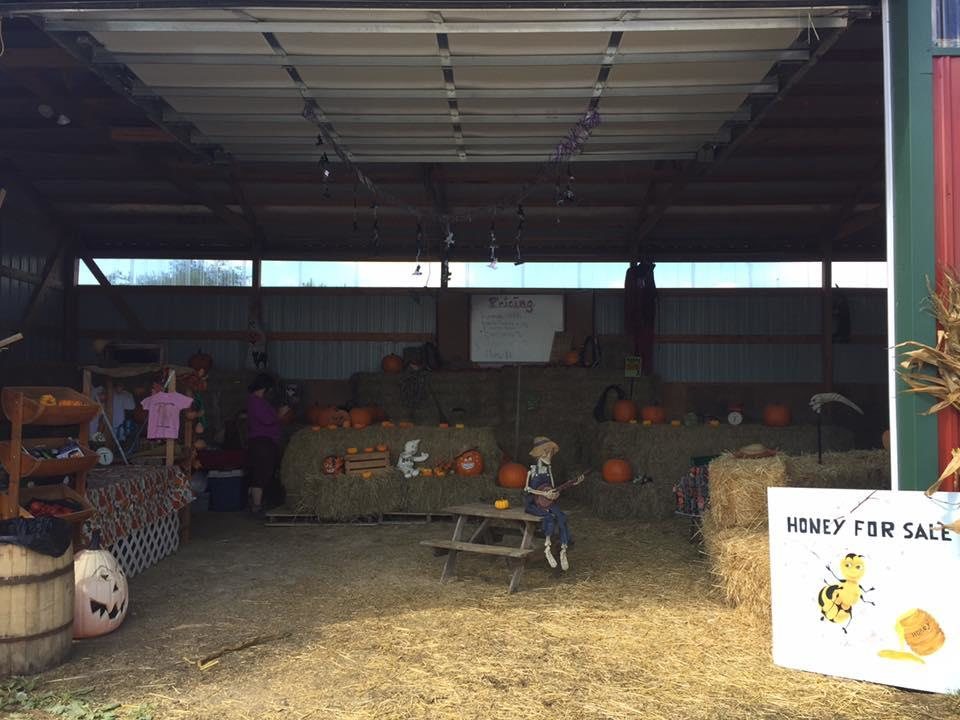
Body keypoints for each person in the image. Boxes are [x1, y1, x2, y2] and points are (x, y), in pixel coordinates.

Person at [523, 436, 576, 571]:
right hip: (534, 503)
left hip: (547, 502)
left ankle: (563, 549)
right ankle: (547, 548)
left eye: (551, 453)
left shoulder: (548, 470)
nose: (549, 455)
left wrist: (554, 494)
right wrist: (543, 494)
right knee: (549, 518)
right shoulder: (534, 470)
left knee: (561, 517)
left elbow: (550, 488)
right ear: (539, 453)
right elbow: (528, 489)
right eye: (546, 452)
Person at [245, 374, 288, 515]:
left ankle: (255, 502)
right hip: (262, 442)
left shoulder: (258, 401)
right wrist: (280, 414)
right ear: (265, 388)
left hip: (265, 441)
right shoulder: (256, 402)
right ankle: (256, 505)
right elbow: (267, 420)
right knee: (261, 472)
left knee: (263, 472)